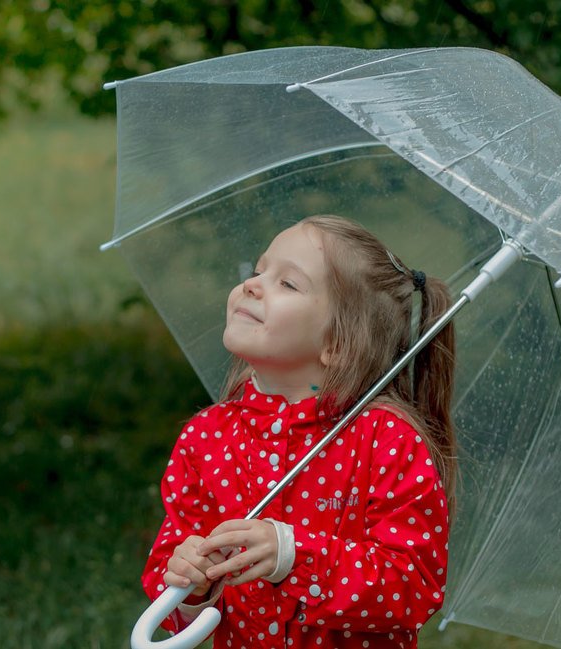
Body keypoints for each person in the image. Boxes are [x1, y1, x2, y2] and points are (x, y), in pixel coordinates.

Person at [142, 215, 456, 648]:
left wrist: (294, 556)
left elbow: (412, 588)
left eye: (287, 284)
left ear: (338, 344)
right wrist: (191, 583)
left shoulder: (386, 440)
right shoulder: (206, 437)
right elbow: (176, 586)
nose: (253, 285)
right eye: (258, 271)